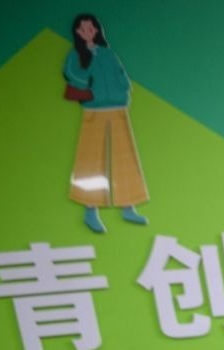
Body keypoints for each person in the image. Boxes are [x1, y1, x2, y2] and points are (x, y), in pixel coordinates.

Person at [64, 14, 149, 234]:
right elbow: (73, 75)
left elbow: (121, 74)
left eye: (92, 28)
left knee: (125, 157)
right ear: (77, 33)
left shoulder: (108, 53)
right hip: (94, 110)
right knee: (91, 161)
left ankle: (128, 206)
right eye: (83, 29)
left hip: (118, 108)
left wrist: (124, 90)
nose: (88, 32)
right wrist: (90, 88)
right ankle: (90, 211)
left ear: (97, 30)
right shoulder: (76, 55)